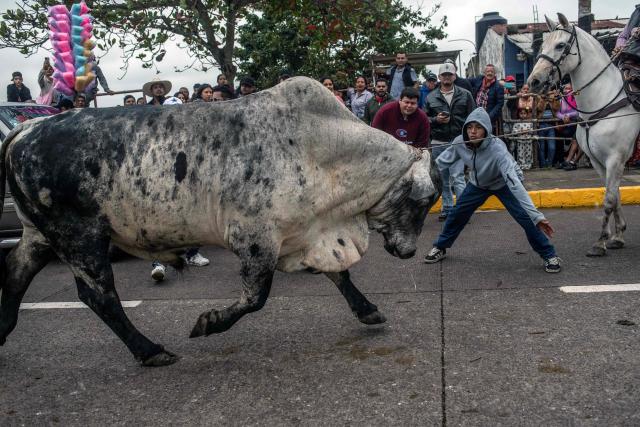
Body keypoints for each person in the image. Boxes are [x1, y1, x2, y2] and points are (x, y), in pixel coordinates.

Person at [424, 107, 561, 273]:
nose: (473, 132)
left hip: (502, 183)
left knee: (527, 219)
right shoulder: (460, 142)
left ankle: (549, 255)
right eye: (469, 127)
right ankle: (440, 247)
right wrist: (422, 176)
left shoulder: (497, 149)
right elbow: (440, 164)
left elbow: (514, 183)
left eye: (478, 128)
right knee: (456, 215)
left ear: (486, 130)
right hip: (477, 185)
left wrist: (537, 215)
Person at [426, 62, 475, 221]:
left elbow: (473, 116)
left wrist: (469, 138)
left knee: (458, 177)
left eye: (450, 74)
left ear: (454, 76)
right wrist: (435, 119)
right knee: (443, 179)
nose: (447, 77)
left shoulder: (465, 94)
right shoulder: (430, 96)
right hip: (438, 142)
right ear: (439, 77)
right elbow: (424, 119)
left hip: (458, 141)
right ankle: (447, 208)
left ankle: (461, 211)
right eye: (444, 75)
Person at [555, 83, 582, 171]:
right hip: (564, 124)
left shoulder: (576, 96)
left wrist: (568, 115)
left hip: (575, 123)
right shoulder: (561, 99)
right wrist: (563, 117)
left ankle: (571, 161)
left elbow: (578, 111)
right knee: (558, 136)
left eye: (569, 89)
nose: (567, 90)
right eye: (565, 88)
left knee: (577, 140)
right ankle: (563, 160)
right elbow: (557, 113)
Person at [470, 64, 504, 130]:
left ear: (495, 73)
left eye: (492, 72)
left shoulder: (498, 86)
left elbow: (500, 104)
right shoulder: (479, 80)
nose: (490, 73)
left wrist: (489, 116)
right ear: (484, 73)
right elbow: (466, 81)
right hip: (476, 114)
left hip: (489, 116)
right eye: (488, 71)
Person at [536, 90, 560, 168]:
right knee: (541, 147)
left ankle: (549, 164)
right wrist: (542, 99)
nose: (550, 95)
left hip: (551, 125)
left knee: (552, 147)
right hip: (541, 125)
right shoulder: (540, 99)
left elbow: (557, 108)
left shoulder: (553, 100)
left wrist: (554, 99)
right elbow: (538, 108)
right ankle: (543, 165)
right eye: (549, 94)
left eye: (551, 94)